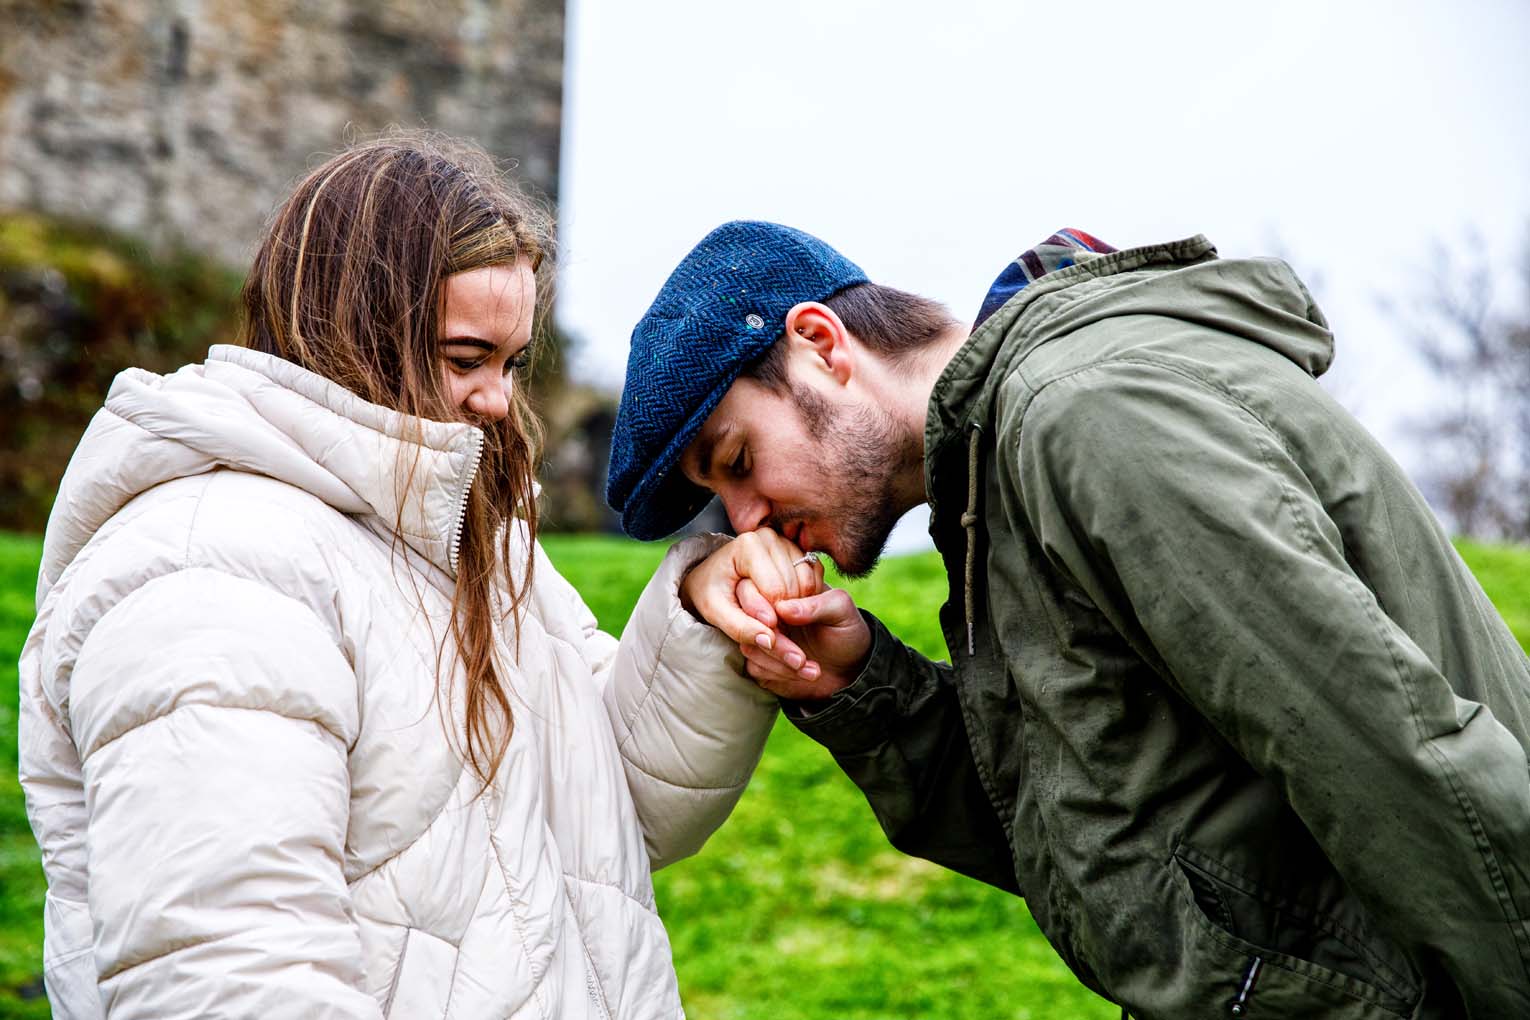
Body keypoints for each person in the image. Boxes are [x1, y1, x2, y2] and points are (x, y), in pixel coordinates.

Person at [606, 221, 1530, 1019]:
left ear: (821, 345)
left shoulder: (1085, 420)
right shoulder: (1000, 476)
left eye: (735, 460)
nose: (745, 519)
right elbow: (1113, 845)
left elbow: (1393, 757)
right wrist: (862, 688)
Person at [16, 140, 818, 1019]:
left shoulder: (473, 541)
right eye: (465, 357)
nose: (499, 400)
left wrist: (704, 618)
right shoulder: (207, 564)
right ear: (350, 329)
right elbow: (222, 975)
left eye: (510, 363)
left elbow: (611, 810)